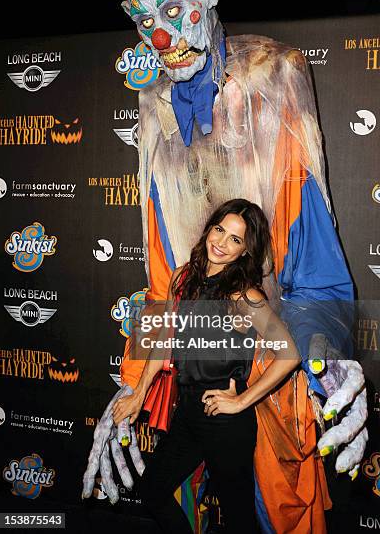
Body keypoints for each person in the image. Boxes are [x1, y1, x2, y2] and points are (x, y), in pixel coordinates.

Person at [113, 199, 301, 534]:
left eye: (235, 239)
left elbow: (289, 352)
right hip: (188, 413)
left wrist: (242, 401)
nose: (222, 242)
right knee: (152, 490)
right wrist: (140, 392)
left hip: (225, 421)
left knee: (238, 518)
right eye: (220, 230)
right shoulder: (183, 278)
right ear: (208, 228)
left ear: (245, 251)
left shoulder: (242, 295)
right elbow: (165, 340)